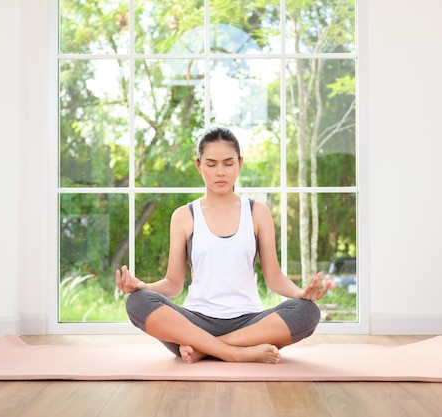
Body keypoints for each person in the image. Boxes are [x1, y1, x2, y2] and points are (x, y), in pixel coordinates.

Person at [115, 126, 335, 364]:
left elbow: (274, 277)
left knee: (307, 312)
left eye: (228, 163)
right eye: (211, 164)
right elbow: (174, 284)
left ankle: (205, 349)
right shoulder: (183, 216)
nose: (220, 172)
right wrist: (143, 286)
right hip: (194, 322)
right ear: (199, 166)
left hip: (249, 322)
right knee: (137, 302)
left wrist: (300, 293)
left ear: (240, 163)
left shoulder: (258, 213)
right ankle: (234, 352)